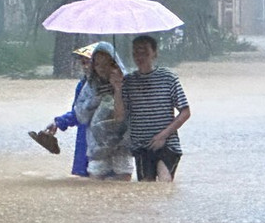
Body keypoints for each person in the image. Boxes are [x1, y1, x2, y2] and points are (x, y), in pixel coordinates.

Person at [123, 34, 191, 182]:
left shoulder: (168, 78)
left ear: (154, 53)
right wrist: (116, 87)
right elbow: (121, 114)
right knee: (146, 188)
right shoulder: (128, 82)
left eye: (144, 52)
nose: (139, 56)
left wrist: (163, 135)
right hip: (141, 145)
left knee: (164, 181)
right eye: (135, 52)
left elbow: (185, 112)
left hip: (167, 143)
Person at [74, 41, 132, 180]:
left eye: (106, 64)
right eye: (97, 64)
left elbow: (134, 112)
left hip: (122, 145)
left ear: (114, 63)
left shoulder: (127, 82)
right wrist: (96, 100)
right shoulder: (89, 86)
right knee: (96, 187)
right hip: (97, 146)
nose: (101, 68)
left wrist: (118, 88)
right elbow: (80, 116)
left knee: (122, 187)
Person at [40, 43, 96, 177]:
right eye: (83, 63)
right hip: (84, 138)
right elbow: (78, 112)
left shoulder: (110, 85)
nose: (86, 66)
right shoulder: (82, 85)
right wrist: (58, 123)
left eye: (89, 62)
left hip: (104, 140)